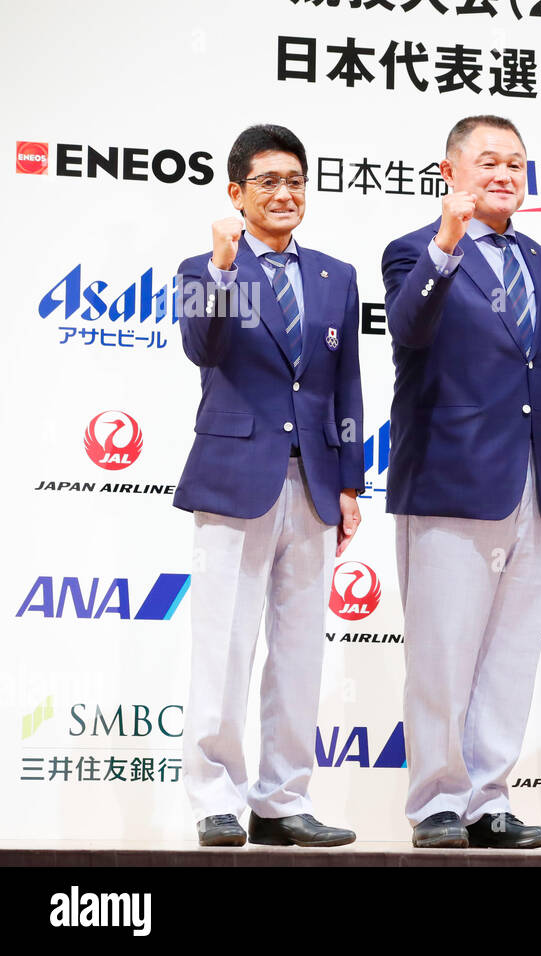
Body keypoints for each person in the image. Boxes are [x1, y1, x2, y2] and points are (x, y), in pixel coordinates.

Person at [381, 115, 541, 850]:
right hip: (448, 480)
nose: (504, 176)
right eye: (489, 162)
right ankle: (436, 799)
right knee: (441, 653)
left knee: (509, 652)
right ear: (450, 172)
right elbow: (408, 330)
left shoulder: (538, 258)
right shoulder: (412, 251)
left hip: (530, 487)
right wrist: (447, 241)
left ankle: (488, 799)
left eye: (517, 165)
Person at [175, 124, 362, 848]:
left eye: (295, 181)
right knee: (223, 644)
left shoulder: (335, 276)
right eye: (267, 183)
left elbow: (344, 386)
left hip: (313, 483)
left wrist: (349, 482)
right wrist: (223, 271)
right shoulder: (204, 267)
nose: (284, 194)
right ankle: (214, 796)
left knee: (298, 650)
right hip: (233, 478)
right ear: (236, 193)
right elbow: (203, 348)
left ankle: (282, 800)